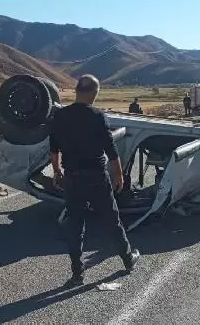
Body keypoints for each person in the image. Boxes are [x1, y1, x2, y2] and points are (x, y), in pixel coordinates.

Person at [50, 74, 140, 287]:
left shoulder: (60, 116)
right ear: (93, 93)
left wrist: (57, 171)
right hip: (96, 176)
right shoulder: (98, 116)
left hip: (72, 177)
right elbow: (111, 149)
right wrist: (119, 175)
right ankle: (128, 259)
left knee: (75, 223)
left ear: (77, 90)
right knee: (111, 219)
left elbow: (53, 148)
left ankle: (77, 273)